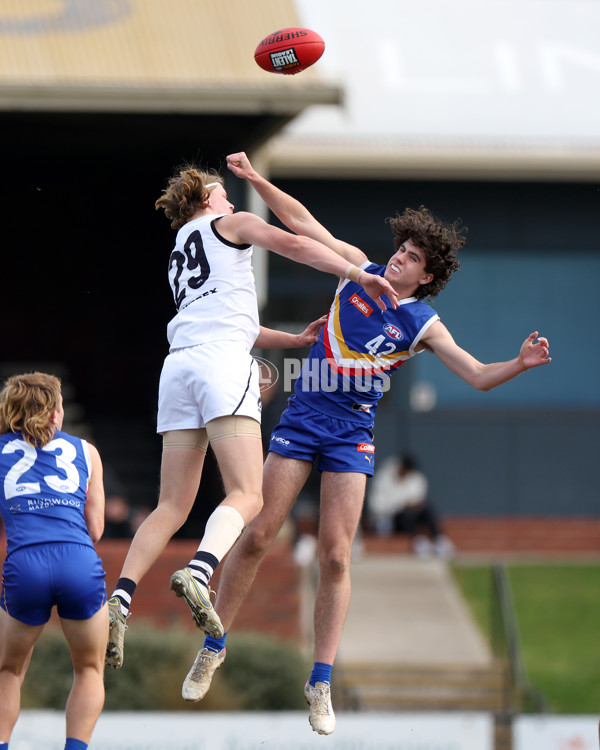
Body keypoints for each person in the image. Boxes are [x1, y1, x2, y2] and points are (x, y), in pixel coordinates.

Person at [179, 152, 552, 736]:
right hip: (303, 416)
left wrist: (521, 364)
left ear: (426, 275)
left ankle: (320, 679)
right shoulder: (360, 268)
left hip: (352, 435)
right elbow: (303, 224)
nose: (398, 258)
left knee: (335, 554)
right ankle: (214, 642)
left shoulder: (423, 324)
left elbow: (476, 374)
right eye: (400, 249)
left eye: (411, 258)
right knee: (257, 534)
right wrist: (255, 180)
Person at [105, 162, 399, 669]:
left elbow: (231, 320)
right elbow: (296, 245)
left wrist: (292, 340)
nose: (234, 203)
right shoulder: (231, 224)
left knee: (171, 506)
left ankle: (121, 599)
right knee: (248, 494)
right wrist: (356, 274)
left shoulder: (181, 249)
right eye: (225, 194)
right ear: (207, 199)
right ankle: (199, 571)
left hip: (178, 368)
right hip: (222, 366)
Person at [0, 372, 107, 750]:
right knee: (90, 669)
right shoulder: (86, 451)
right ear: (55, 413)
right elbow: (95, 529)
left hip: (24, 563)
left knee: (9, 671)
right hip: (77, 560)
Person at [368, 453, 454, 557]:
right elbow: (376, 505)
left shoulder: (417, 479)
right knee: (404, 516)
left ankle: (439, 540)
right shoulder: (383, 478)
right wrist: (399, 506)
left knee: (427, 509)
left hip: (412, 516)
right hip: (390, 520)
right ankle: (419, 542)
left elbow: (418, 499)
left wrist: (412, 505)